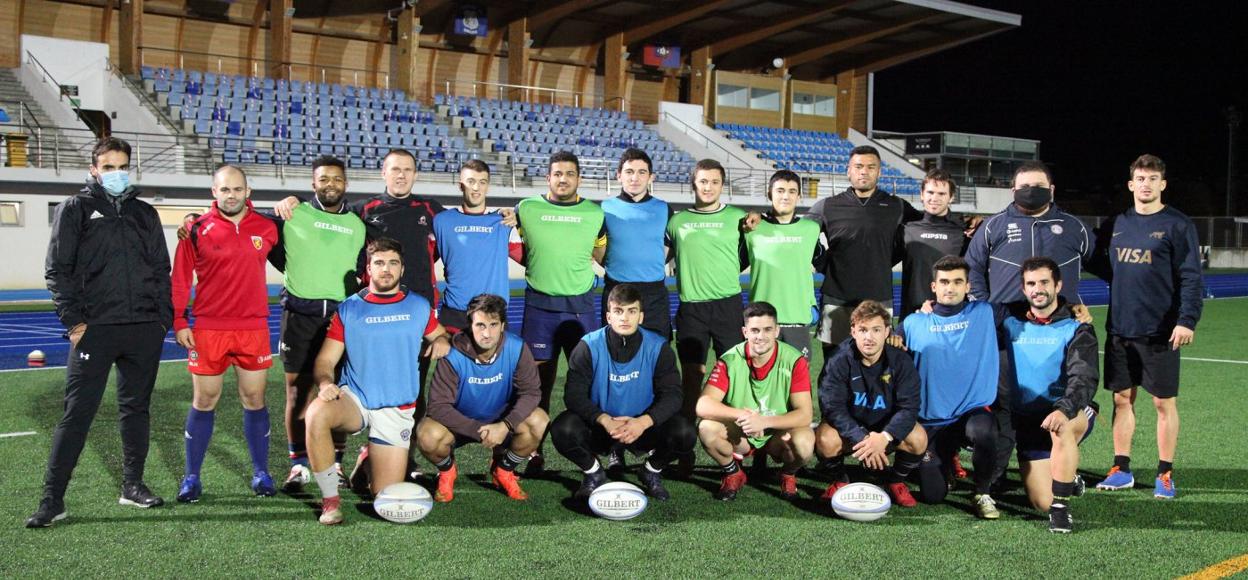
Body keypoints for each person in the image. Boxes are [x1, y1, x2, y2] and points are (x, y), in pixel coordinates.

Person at [29, 137, 171, 527]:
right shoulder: (74, 210)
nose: (116, 173)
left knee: (136, 410)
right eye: (108, 167)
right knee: (77, 414)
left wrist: (162, 320)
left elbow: (161, 269)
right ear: (94, 170)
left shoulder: (144, 213)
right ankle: (52, 500)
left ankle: (132, 486)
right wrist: (74, 322)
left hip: (143, 328)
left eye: (122, 166)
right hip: (96, 330)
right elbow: (57, 270)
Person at [304, 238, 451, 525]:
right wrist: (324, 384)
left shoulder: (419, 307)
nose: (386, 269)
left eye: (393, 263)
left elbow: (440, 334)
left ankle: (365, 463)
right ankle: (330, 502)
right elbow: (325, 362)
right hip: (356, 398)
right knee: (316, 413)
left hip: (396, 408)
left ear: (402, 269)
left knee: (383, 498)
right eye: (379, 263)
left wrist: (442, 341)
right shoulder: (350, 309)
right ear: (368, 269)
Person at [964, 161, 1093, 487]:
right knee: (1005, 403)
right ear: (1013, 191)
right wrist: (986, 305)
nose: (1030, 192)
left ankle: (1069, 434)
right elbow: (973, 267)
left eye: (1038, 187)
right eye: (1024, 187)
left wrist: (1076, 302)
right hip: (1006, 331)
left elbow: (1104, 263)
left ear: (1051, 190)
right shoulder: (993, 226)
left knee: (1057, 394)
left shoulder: (1074, 227)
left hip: (1056, 329)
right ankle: (1003, 467)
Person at [1091, 154, 1202, 499]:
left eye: (1152, 179)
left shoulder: (1178, 224)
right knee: (1122, 399)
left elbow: (1191, 277)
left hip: (1161, 331)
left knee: (1162, 404)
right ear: (1131, 184)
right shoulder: (1117, 222)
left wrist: (1186, 320)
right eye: (1140, 178)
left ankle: (1164, 473)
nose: (1146, 184)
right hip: (1121, 329)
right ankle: (1121, 468)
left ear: (1162, 184)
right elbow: (1101, 262)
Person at [171, 165, 280, 502]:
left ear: (248, 192)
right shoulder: (195, 230)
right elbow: (180, 278)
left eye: (237, 189)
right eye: (224, 190)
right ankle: (192, 477)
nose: (231, 195)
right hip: (208, 328)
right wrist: (178, 320)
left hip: (252, 328)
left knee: (254, 399)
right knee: (204, 400)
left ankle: (261, 472)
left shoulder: (268, 228)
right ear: (213, 193)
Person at [551, 284, 694, 501]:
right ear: (608, 316)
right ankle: (593, 473)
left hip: (642, 427)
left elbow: (673, 395)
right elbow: (573, 395)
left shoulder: (658, 347)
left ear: (641, 316)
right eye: (618, 311)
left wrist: (644, 422)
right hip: (602, 427)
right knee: (563, 428)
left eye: (631, 311)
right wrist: (605, 420)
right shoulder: (588, 346)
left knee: (685, 432)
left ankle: (651, 471)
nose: (625, 318)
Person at [275, 156, 367, 492]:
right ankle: (299, 464)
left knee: (339, 393)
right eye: (324, 179)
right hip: (299, 318)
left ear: (346, 183)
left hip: (341, 321)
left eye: (337, 179)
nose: (331, 185)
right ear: (313, 183)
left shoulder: (358, 226)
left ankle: (337, 464)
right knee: (297, 392)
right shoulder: (293, 214)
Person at [514, 151, 606, 474]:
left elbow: (599, 251)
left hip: (581, 306)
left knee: (587, 380)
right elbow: (523, 250)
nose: (563, 178)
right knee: (539, 382)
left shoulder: (595, 213)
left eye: (569, 173)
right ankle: (534, 450)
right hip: (540, 306)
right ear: (548, 177)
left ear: (578, 178)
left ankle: (587, 447)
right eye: (557, 173)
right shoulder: (526, 209)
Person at [419, 294, 547, 502]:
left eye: (493, 324)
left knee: (538, 420)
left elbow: (531, 393)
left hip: (500, 423)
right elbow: (438, 407)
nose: (486, 333)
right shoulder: (453, 354)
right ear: (470, 325)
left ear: (503, 325)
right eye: (480, 325)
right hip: (460, 425)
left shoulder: (516, 348)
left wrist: (505, 425)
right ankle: (447, 471)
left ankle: (504, 470)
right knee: (427, 434)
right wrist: (478, 432)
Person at [899, 256, 1001, 518]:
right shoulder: (913, 323)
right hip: (930, 420)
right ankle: (944, 462)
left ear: (968, 286)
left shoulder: (984, 313)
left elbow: (1034, 307)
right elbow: (886, 344)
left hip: (970, 412)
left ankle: (982, 492)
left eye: (958, 282)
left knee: (985, 430)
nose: (950, 288)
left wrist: (1071, 310)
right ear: (934, 287)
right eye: (944, 282)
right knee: (933, 496)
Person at [1002, 257, 1098, 533]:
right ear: (1023, 290)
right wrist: (930, 307)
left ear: (1058, 285)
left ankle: (1061, 510)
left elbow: (1084, 377)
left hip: (1067, 410)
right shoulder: (1010, 322)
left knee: (1062, 427)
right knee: (1040, 501)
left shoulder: (1077, 327)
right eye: (1031, 283)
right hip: (1028, 421)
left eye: (1044, 282)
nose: (1038, 289)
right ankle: (1068, 480)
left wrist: (1064, 408)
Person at [805, 145, 922, 364]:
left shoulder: (897, 206)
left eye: (871, 167)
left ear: (880, 172)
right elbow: (801, 235)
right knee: (834, 366)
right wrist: (824, 264)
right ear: (848, 171)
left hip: (879, 300)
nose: (864, 171)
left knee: (876, 368)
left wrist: (964, 221)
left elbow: (927, 226)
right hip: (837, 302)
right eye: (858, 166)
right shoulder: (827, 206)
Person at [696, 302, 814, 501]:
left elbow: (805, 414)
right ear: (745, 332)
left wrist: (765, 421)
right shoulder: (730, 359)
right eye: (755, 330)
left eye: (768, 329)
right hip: (743, 432)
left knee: (805, 442)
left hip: (778, 434)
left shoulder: (794, 360)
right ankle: (733, 472)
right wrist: (744, 416)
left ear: (777, 330)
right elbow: (703, 405)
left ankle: (788, 474)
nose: (761, 336)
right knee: (707, 428)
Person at [816, 300, 926, 508]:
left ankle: (895, 481)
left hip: (885, 429)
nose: (869, 337)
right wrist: (864, 438)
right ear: (853, 331)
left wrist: (884, 438)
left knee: (918, 437)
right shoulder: (838, 360)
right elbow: (832, 407)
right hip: (852, 431)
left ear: (887, 332)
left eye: (876, 330)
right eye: (863, 330)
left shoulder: (901, 361)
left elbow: (909, 408)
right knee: (825, 438)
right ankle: (840, 480)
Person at [665, 160, 747, 419]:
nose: (708, 187)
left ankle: (732, 433)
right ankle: (685, 438)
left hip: (729, 306)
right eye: (703, 181)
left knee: (734, 372)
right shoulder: (677, 222)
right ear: (694, 184)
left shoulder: (738, 218)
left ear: (723, 185)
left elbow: (749, 255)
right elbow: (660, 257)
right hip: (692, 309)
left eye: (714, 182)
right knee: (692, 374)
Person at [743, 170, 822, 359]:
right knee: (761, 383)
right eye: (780, 190)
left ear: (799, 196)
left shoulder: (811, 229)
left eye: (792, 191)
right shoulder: (751, 227)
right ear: (769, 193)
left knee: (798, 384)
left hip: (797, 319)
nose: (786, 196)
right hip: (762, 320)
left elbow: (829, 265)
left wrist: (814, 306)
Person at [597, 148, 673, 337]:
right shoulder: (604, 209)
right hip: (617, 291)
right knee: (616, 353)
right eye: (629, 172)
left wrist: (649, 263)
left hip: (654, 294)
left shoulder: (664, 209)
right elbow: (597, 249)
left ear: (651, 177)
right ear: (619, 176)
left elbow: (670, 247)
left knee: (658, 354)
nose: (635, 178)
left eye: (641, 172)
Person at [431, 160, 515, 332]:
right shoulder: (442, 221)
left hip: (493, 313)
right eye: (471, 182)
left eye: (482, 182)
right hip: (455, 313)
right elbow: (425, 260)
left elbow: (529, 256)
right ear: (461, 185)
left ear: (488, 186)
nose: (476, 188)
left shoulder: (503, 222)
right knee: (450, 359)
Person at [898, 169, 970, 320]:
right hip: (914, 315)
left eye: (941, 194)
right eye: (930, 192)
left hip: (950, 316)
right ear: (922, 194)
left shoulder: (962, 233)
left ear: (951, 197)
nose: (934, 198)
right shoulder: (907, 229)